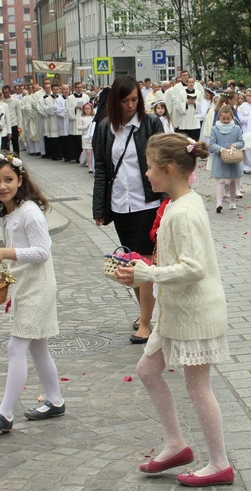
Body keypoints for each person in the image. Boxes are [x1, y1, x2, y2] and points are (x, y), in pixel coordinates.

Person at [114, 133, 233, 487]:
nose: (146, 174)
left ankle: (219, 463)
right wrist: (142, 266)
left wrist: (147, 272)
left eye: (149, 168)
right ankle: (176, 443)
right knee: (148, 369)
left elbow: (193, 267)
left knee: (198, 388)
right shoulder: (180, 203)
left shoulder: (183, 212)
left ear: (167, 170)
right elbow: (174, 259)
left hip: (195, 313)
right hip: (176, 312)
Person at [0, 153, 65, 433]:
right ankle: (55, 400)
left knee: (17, 347)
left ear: (20, 180)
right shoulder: (8, 212)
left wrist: (6, 252)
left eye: (8, 180)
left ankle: (5, 413)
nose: (2, 186)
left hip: (38, 286)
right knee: (38, 347)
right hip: (24, 284)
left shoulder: (29, 211)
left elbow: (42, 251)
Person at [92, 75, 164, 345]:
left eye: (135, 99)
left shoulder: (151, 123)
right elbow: (101, 169)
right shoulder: (104, 127)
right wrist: (99, 206)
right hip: (120, 203)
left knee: (145, 262)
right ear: (115, 102)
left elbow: (163, 161)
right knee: (133, 262)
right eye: (125, 101)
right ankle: (145, 312)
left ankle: (145, 323)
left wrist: (169, 199)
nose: (131, 105)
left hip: (148, 201)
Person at [209, 105, 245, 212]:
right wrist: (220, 149)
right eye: (223, 119)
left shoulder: (236, 128)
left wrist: (235, 145)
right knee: (220, 181)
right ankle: (219, 203)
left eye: (228, 119)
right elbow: (212, 143)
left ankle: (232, 201)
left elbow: (241, 142)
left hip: (233, 159)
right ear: (219, 117)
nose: (225, 121)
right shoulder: (214, 129)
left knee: (233, 181)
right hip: (220, 159)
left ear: (232, 117)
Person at [66, 82, 90, 163]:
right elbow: (67, 110)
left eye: (80, 87)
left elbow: (90, 107)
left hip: (83, 118)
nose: (79, 89)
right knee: (74, 139)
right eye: (77, 87)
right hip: (74, 120)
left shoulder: (86, 97)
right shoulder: (70, 98)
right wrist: (74, 108)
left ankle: (83, 158)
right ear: (74, 88)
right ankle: (75, 157)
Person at [0, 86, 21, 157]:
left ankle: (17, 158)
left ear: (10, 92)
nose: (5, 94)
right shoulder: (1, 102)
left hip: (14, 124)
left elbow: (18, 114)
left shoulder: (15, 101)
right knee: (6, 143)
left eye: (7, 92)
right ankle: (7, 158)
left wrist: (19, 126)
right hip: (5, 125)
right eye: (4, 93)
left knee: (15, 142)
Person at [78, 102, 95, 173]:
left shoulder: (93, 117)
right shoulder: (81, 118)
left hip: (92, 136)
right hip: (85, 136)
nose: (87, 110)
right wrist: (86, 126)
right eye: (86, 109)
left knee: (93, 152)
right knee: (88, 152)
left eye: (89, 109)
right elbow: (79, 127)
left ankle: (93, 166)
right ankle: (90, 167)